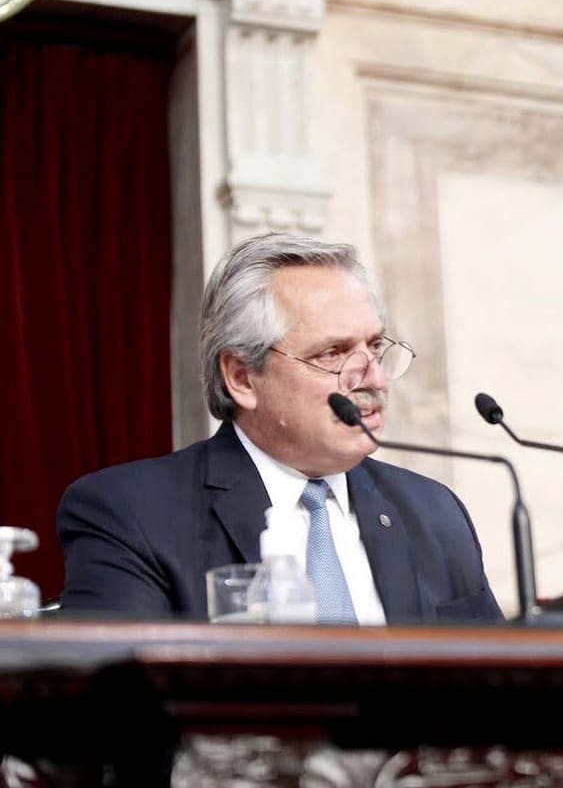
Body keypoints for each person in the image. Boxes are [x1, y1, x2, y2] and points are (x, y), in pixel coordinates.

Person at [57, 232, 503, 624]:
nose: (375, 379)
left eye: (374, 347)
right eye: (332, 354)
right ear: (242, 377)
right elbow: (113, 704)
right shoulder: (132, 513)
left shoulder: (434, 512)